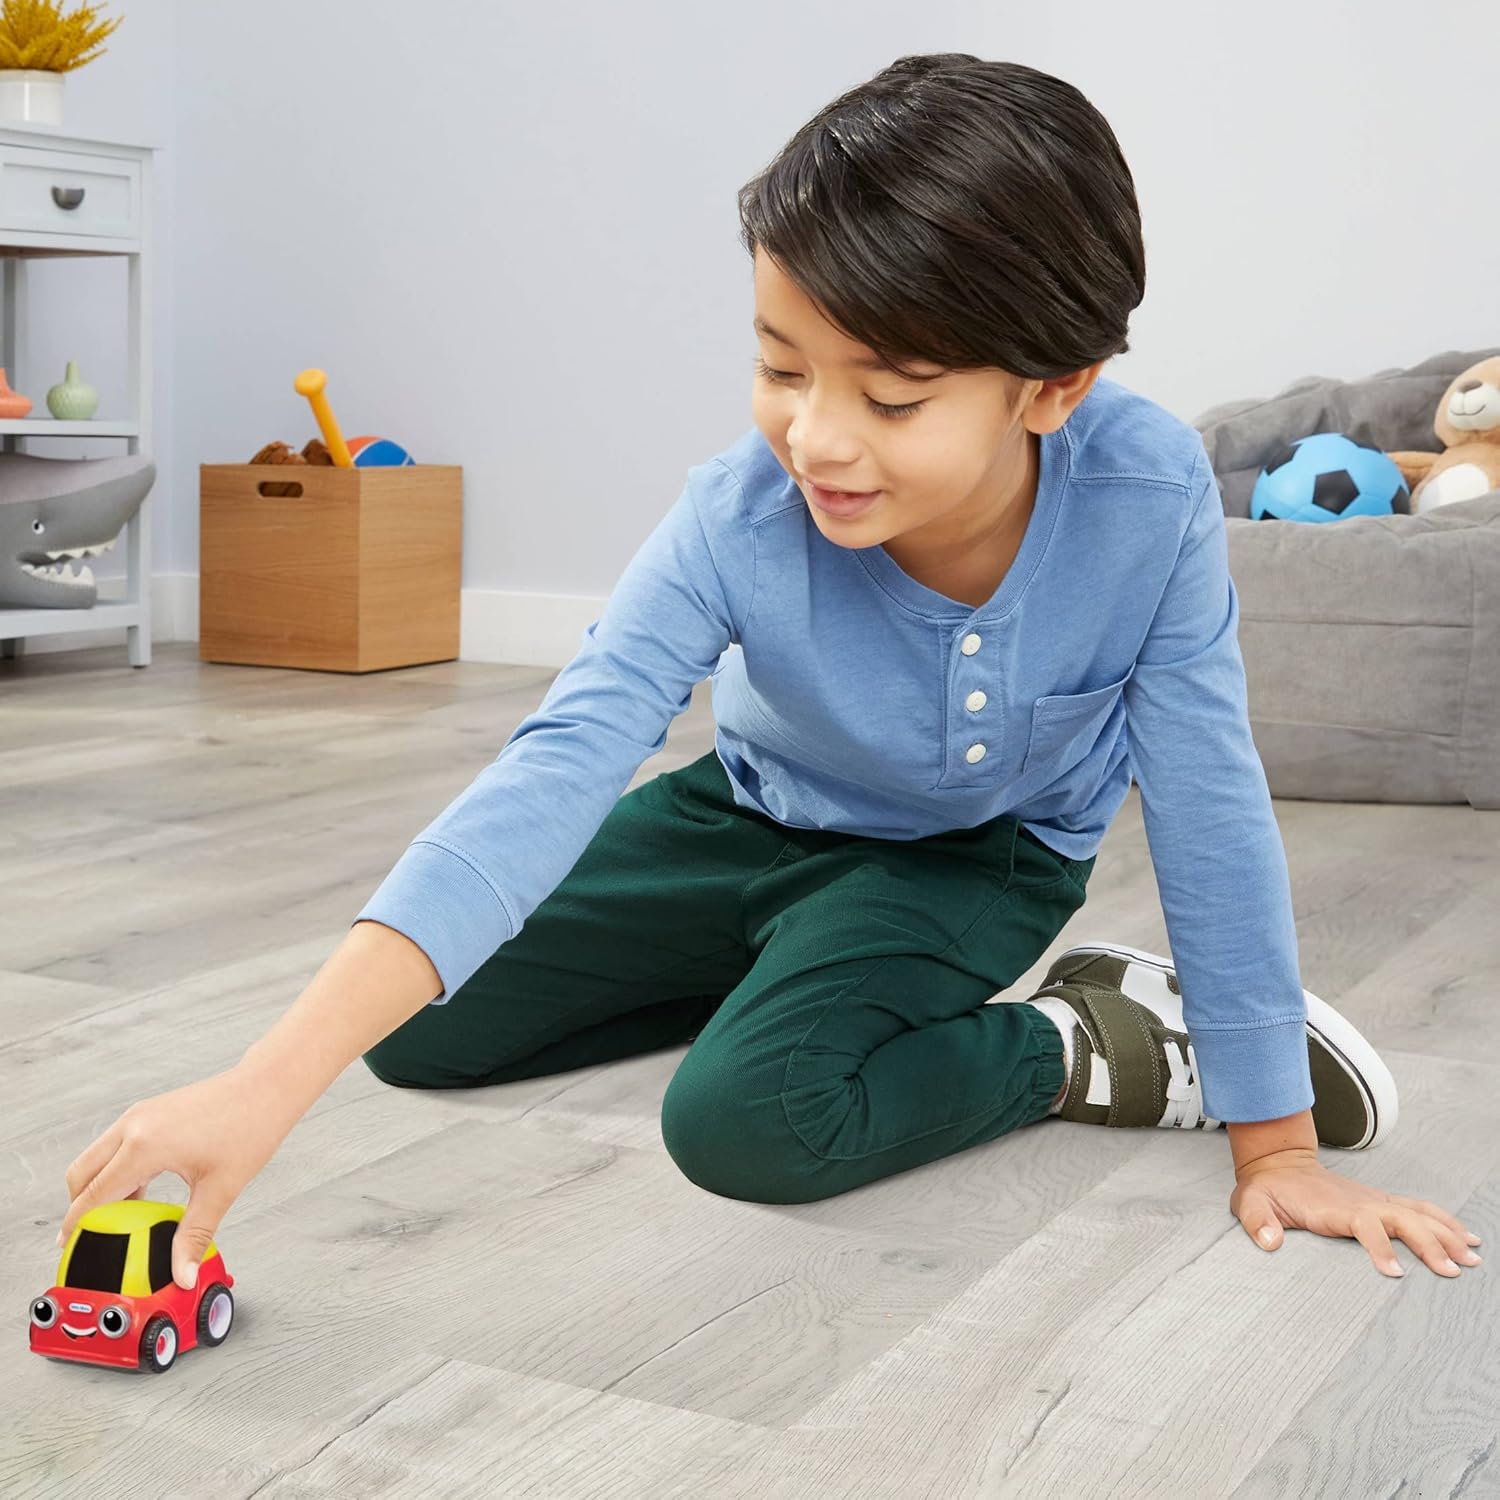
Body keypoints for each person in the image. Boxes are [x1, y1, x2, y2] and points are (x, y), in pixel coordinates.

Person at [55, 54, 1481, 1290]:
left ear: (1051, 389)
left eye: (894, 397)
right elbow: (557, 763)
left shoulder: (1149, 490)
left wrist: (1274, 1135)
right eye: (782, 367)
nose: (818, 440)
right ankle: (787, 967)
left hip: (972, 861)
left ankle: (1087, 1040)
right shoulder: (735, 517)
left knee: (748, 1122)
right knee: (427, 1033)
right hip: (747, 817)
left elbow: (1208, 792)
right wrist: (261, 1088)